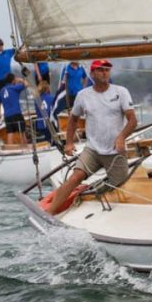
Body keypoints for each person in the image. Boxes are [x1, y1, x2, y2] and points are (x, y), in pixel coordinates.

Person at [46, 60, 136, 215]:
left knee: (121, 185)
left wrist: (121, 137)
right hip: (92, 150)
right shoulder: (83, 95)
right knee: (75, 178)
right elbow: (73, 119)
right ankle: (48, 214)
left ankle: (99, 188)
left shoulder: (121, 92)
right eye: (100, 70)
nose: (104, 73)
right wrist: (68, 143)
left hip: (115, 151)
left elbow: (132, 120)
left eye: (107, 70)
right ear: (92, 74)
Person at [33, 78, 55, 142]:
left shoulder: (36, 100)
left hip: (40, 125)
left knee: (45, 140)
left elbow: (38, 112)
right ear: (47, 88)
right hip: (50, 125)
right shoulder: (52, 98)